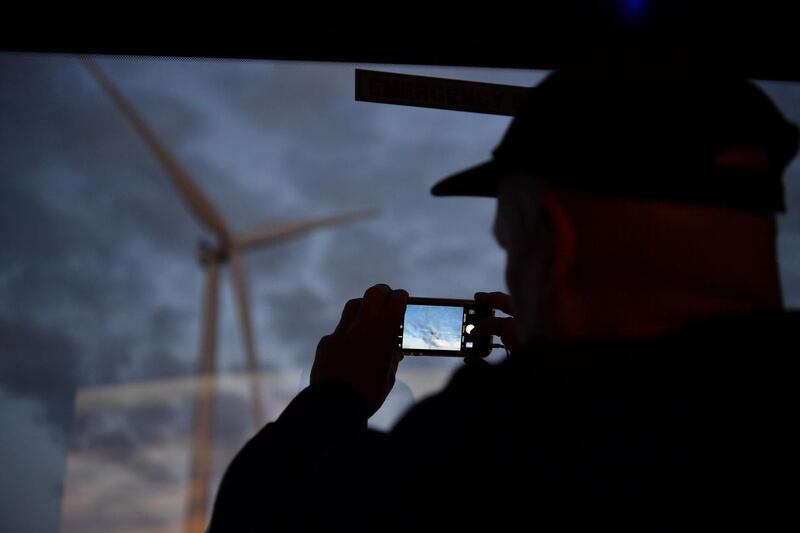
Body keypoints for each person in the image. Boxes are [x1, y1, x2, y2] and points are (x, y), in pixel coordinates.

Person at [208, 55, 800, 531]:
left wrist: (336, 395)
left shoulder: (500, 449)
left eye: (512, 245)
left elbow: (260, 514)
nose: (512, 276)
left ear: (557, 241)